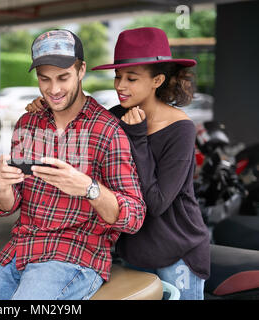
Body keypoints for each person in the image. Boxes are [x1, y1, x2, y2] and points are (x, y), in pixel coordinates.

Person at [26, 27, 211, 300]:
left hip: (177, 255)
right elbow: (78, 122)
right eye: (118, 76)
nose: (120, 86)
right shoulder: (114, 117)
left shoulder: (180, 129)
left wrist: (137, 138)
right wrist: (50, 106)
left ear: (157, 80)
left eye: (131, 78)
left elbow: (157, 202)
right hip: (131, 253)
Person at [0, 29, 146, 300]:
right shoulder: (27, 124)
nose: (53, 90)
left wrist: (89, 188)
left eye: (63, 77)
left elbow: (135, 216)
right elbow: (7, 206)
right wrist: (4, 186)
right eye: (44, 79)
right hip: (20, 250)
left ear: (81, 70)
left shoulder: (107, 130)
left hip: (74, 254)